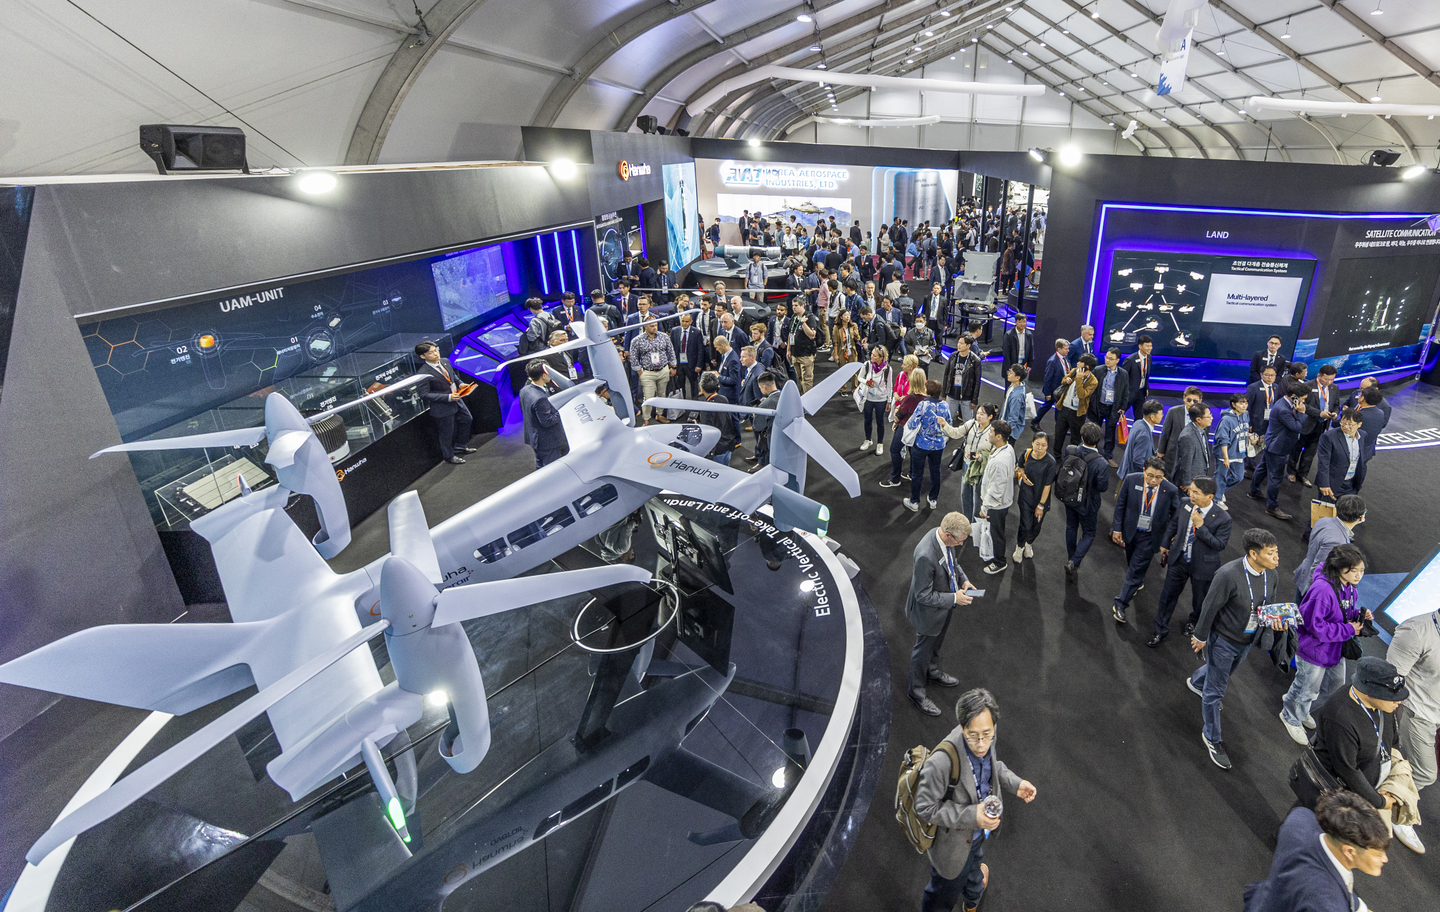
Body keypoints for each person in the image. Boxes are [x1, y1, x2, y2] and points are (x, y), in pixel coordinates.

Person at [914, 689, 1038, 912]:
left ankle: (973, 899)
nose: (981, 744)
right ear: (962, 727)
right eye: (973, 736)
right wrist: (973, 816)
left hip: (978, 835)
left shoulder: (988, 732)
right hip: (952, 848)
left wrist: (1015, 783)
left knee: (974, 864)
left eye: (987, 735)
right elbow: (924, 807)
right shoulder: (941, 762)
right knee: (941, 896)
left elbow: (993, 764)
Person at [1188, 527, 1282, 770]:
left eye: (1276, 552)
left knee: (1220, 675)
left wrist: (1274, 620)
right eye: (1270, 553)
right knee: (1215, 693)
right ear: (1253, 554)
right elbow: (1209, 607)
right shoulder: (1228, 574)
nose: (1276, 558)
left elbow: (1267, 605)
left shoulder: (1271, 575)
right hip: (1223, 641)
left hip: (1247, 640)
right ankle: (1212, 737)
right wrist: (1200, 637)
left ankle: (1197, 681)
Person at [1280, 545, 1371, 746]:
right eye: (1353, 570)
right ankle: (1290, 715)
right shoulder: (1322, 590)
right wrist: (1349, 630)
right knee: (1307, 687)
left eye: (1361, 570)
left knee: (1334, 686)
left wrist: (1358, 616)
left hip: (1334, 647)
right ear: (1339, 567)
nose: (1358, 575)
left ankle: (1300, 708)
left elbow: (1343, 612)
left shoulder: (1348, 586)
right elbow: (1314, 626)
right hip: (1314, 649)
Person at [1244, 789, 1390, 912]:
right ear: (1349, 851)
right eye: (1378, 854)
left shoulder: (1300, 819)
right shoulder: (1328, 904)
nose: (1385, 859)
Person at [1305, 657, 1410, 816]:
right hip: (1333, 794)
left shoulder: (1384, 707)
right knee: (1310, 825)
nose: (1399, 702)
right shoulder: (1340, 717)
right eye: (1391, 696)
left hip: (1366, 791)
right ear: (1370, 692)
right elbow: (1347, 770)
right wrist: (1378, 801)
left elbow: (1392, 741)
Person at [903, 513, 978, 715]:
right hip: (928, 613)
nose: (961, 545)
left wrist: (964, 580)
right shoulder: (925, 556)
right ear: (947, 535)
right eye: (960, 541)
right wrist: (954, 598)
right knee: (922, 651)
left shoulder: (940, 536)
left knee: (936, 643)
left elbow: (953, 564)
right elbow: (922, 596)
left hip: (942, 609)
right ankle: (916, 692)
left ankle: (933, 672)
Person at [1386, 598, 1440, 854]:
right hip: (1416, 711)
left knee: (1403, 762)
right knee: (1425, 771)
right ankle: (1396, 810)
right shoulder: (1417, 631)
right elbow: (1389, 678)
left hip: (1434, 714)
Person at [1109, 456, 1179, 625]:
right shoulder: (1131, 480)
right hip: (1130, 531)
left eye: (1158, 477)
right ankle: (1138, 581)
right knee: (1132, 562)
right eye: (1150, 475)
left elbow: (1176, 515)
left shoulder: (1170, 490)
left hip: (1151, 536)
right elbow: (1120, 505)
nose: (1154, 480)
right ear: (1144, 471)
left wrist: (1169, 534)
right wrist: (1117, 528)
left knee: (1134, 569)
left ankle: (1120, 604)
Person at [1250, 382, 1308, 521]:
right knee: (1275, 477)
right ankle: (1272, 506)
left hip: (1273, 443)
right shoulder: (1283, 409)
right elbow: (1296, 427)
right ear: (1294, 397)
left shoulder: (1284, 402)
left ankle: (1254, 491)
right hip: (1278, 447)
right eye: (1303, 399)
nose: (1304, 402)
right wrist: (1302, 414)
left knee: (1263, 467)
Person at [1061, 422, 1110, 580]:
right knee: (1089, 533)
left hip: (1069, 498)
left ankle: (1070, 557)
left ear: (1082, 437)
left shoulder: (1071, 450)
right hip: (1088, 503)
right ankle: (1074, 562)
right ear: (1098, 440)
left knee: (1071, 527)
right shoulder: (1101, 463)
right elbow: (1102, 487)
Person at [414, 340, 476, 465]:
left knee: (467, 419)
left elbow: (452, 376)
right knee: (446, 433)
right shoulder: (423, 373)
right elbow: (424, 394)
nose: (436, 354)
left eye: (436, 350)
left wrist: (460, 383)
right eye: (431, 353)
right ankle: (449, 456)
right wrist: (448, 397)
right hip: (443, 406)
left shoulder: (445, 361)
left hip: (457, 399)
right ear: (423, 356)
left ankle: (460, 445)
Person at [1295, 494, 1366, 599]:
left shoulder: (1324, 521)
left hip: (1304, 577)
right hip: (1311, 590)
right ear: (1361, 517)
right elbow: (1319, 568)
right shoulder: (1337, 542)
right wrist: (1313, 595)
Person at [940, 404, 997, 520]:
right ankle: (967, 520)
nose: (979, 416)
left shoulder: (993, 432)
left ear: (990, 416)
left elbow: (994, 453)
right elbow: (956, 433)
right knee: (965, 494)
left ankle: (976, 522)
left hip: (980, 468)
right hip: (967, 464)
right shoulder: (971, 424)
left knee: (978, 497)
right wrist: (944, 425)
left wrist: (981, 457)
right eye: (978, 413)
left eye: (982, 414)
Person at [905, 380, 953, 512]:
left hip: (921, 444)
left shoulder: (923, 405)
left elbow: (912, 424)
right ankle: (933, 499)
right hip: (938, 445)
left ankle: (914, 501)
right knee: (936, 471)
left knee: (917, 473)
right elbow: (949, 422)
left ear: (928, 391)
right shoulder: (945, 405)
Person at [977, 421, 1017, 574]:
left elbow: (996, 489)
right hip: (1002, 502)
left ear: (999, 436)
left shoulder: (1000, 461)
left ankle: (1000, 562)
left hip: (996, 506)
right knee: (996, 531)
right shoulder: (1007, 448)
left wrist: (984, 507)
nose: (989, 433)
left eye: (991, 431)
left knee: (997, 533)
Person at [1011, 431, 1056, 565]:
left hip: (1041, 499)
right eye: (1037, 444)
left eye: (1043, 445)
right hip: (1026, 496)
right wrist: (1023, 475)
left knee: (1036, 527)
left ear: (1047, 446)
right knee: (1025, 524)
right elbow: (1021, 466)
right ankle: (1019, 546)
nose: (1040, 448)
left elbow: (1047, 486)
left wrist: (1041, 505)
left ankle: (1029, 543)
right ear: (1032, 443)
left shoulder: (1050, 462)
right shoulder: (1026, 453)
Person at [1290, 364, 1339, 485]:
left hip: (1322, 424)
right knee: (1296, 448)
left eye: (1331, 379)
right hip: (1306, 422)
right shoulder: (1307, 386)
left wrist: (1335, 413)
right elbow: (1302, 405)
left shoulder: (1334, 388)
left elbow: (1337, 404)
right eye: (1326, 379)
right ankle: (1291, 472)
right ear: (1319, 375)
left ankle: (1303, 474)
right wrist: (1319, 413)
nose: (1329, 382)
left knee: (1311, 451)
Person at [882, 368, 929, 490]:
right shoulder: (927, 399)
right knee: (913, 451)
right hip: (919, 430)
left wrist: (896, 421)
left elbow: (900, 414)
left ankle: (895, 478)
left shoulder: (909, 398)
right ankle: (911, 474)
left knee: (895, 450)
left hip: (905, 427)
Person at [518, 359, 567, 468]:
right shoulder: (540, 398)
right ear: (543, 375)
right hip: (548, 441)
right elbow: (547, 421)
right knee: (552, 471)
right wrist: (563, 410)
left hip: (535, 439)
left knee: (541, 468)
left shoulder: (525, 390)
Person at [630, 317, 676, 424]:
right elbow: (633, 357)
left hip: (663, 370)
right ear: (645, 326)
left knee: (662, 394)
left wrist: (673, 366)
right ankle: (646, 420)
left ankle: (659, 415)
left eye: (655, 325)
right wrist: (639, 371)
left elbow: (671, 351)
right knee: (648, 397)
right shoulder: (637, 340)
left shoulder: (664, 337)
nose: (655, 327)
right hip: (647, 372)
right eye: (652, 326)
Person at [1088, 348, 1129, 464]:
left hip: (1113, 407)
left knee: (1110, 432)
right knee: (1094, 430)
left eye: (1111, 359)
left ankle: (1108, 455)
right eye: (1106, 357)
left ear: (1117, 360)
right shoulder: (1098, 370)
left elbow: (1126, 391)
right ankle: (1091, 452)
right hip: (1098, 405)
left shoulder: (1123, 374)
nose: (1107, 360)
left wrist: (1123, 407)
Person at [1315, 409, 1368, 499]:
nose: (1345, 427)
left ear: (1359, 425)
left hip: (1352, 484)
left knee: (1347, 512)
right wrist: (1324, 484)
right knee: (1326, 512)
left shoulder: (1362, 436)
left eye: (1350, 424)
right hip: (1332, 484)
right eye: (1343, 423)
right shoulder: (1329, 437)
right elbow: (1324, 462)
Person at [1053, 353, 1098, 449]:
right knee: (1059, 434)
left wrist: (1079, 379)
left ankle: (1072, 458)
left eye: (1080, 362)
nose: (1077, 363)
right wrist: (1067, 380)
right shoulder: (1074, 371)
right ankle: (1056, 455)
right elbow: (1063, 380)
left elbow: (1082, 394)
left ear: (1087, 366)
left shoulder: (1093, 381)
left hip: (1077, 413)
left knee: (1075, 438)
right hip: (1064, 408)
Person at [1212, 393, 1249, 509]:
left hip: (1238, 452)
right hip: (1225, 454)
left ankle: (1218, 491)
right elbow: (1223, 440)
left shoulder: (1245, 415)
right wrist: (1226, 457)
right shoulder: (1226, 420)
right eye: (1241, 403)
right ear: (1233, 404)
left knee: (1238, 476)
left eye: (1245, 403)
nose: (1244, 406)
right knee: (1220, 476)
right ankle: (1216, 499)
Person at [1157, 386, 1202, 476]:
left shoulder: (1203, 415)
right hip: (1172, 455)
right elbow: (1165, 433)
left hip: (1191, 457)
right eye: (1189, 400)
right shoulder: (1173, 412)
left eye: (1195, 401)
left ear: (1200, 401)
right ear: (1184, 398)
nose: (1191, 403)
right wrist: (1160, 451)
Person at [695, 371, 738, 465]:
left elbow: (707, 432)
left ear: (702, 389)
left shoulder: (706, 408)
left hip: (717, 449)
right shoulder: (724, 399)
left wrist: (697, 425)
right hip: (728, 444)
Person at [857, 345, 893, 454]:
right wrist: (866, 382)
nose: (871, 356)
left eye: (874, 355)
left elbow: (889, 385)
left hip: (881, 399)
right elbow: (859, 377)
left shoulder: (887, 369)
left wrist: (889, 400)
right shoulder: (867, 365)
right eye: (871, 354)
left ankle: (880, 443)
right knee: (867, 419)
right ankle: (868, 440)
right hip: (868, 397)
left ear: (881, 358)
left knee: (880, 421)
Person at [1172, 403, 1214, 489]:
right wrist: (1187, 483)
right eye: (1208, 416)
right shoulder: (1188, 436)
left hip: (1198, 477)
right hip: (1189, 483)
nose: (1211, 418)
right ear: (1198, 419)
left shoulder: (1201, 430)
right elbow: (1185, 463)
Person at [1118, 399, 1163, 479]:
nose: (1162, 415)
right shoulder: (1144, 435)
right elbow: (1138, 460)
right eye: (1160, 414)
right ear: (1152, 417)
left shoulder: (1138, 423)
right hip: (1133, 477)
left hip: (1126, 473)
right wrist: (1152, 474)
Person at [1247, 364, 1280, 472]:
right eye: (1267, 375)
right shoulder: (1253, 387)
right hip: (1256, 420)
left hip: (1270, 421)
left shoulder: (1276, 387)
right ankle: (1250, 465)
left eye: (1272, 375)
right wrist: (1248, 423)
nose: (1270, 377)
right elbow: (1248, 406)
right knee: (1253, 443)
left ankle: (1262, 463)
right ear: (1261, 375)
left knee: (1265, 443)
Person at [942, 334, 981, 422]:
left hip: (967, 397)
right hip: (952, 394)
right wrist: (944, 393)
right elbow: (946, 375)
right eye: (958, 342)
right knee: (947, 420)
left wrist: (974, 399)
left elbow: (977, 382)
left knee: (968, 422)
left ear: (968, 346)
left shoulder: (975, 360)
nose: (958, 345)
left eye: (962, 343)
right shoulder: (953, 356)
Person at [1033, 339, 1070, 430]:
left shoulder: (1065, 358)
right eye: (1066, 349)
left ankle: (1059, 426)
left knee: (1059, 409)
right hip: (1054, 391)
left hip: (1062, 390)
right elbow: (1047, 378)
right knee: (1046, 407)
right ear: (1059, 349)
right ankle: (1035, 421)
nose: (1068, 350)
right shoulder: (1052, 361)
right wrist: (1047, 393)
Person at [788, 297, 820, 392]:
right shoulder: (793, 317)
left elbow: (812, 335)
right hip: (795, 353)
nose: (794, 307)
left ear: (802, 306)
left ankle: (808, 402)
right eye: (793, 305)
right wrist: (788, 350)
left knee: (807, 380)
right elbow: (790, 333)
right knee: (799, 379)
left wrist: (803, 324)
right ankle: (802, 399)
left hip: (806, 354)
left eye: (796, 305)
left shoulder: (809, 317)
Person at [670, 311, 703, 399]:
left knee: (693, 383)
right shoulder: (675, 331)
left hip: (691, 363)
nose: (684, 323)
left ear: (691, 322)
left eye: (686, 321)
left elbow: (700, 350)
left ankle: (694, 403)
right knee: (680, 385)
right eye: (682, 321)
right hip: (679, 362)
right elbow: (671, 348)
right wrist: (672, 364)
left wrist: (699, 365)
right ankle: (682, 403)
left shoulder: (696, 332)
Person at [1122, 335, 1153, 422]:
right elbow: (1122, 377)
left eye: (1150, 346)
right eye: (1147, 346)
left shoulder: (1149, 358)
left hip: (1141, 392)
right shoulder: (1130, 360)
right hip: (1129, 393)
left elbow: (1146, 375)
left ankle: (1136, 434)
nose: (1150, 348)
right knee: (1118, 414)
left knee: (1139, 418)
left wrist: (1146, 388)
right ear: (1140, 346)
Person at [831, 309, 861, 392]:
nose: (848, 317)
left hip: (852, 350)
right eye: (845, 315)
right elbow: (835, 342)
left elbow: (858, 338)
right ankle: (843, 389)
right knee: (842, 371)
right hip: (842, 351)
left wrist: (856, 335)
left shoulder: (853, 325)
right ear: (841, 317)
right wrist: (836, 354)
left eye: (848, 315)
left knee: (854, 371)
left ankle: (854, 388)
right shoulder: (837, 328)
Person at [1000, 313, 1032, 379]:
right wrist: (1008, 369)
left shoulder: (1029, 335)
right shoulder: (1009, 335)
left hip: (1022, 365)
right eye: (1020, 322)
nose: (1022, 324)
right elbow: (1006, 353)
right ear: (1016, 322)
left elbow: (1031, 349)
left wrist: (1030, 364)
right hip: (1012, 365)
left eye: (1024, 322)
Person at [1001, 365, 1029, 433]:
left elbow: (1013, 418)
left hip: (1008, 431)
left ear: (1017, 378)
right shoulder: (1014, 386)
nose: (1008, 374)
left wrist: (1006, 433)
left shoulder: (1016, 397)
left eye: (1011, 373)